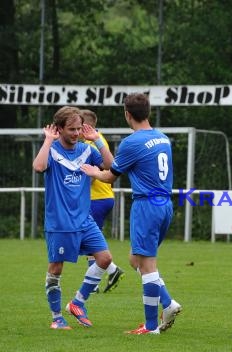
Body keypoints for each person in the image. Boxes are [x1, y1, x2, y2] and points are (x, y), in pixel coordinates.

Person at [81, 93, 182, 334]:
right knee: (135, 260)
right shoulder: (162, 138)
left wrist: (91, 172)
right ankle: (168, 303)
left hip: (146, 206)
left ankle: (150, 327)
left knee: (147, 265)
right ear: (148, 111)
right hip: (165, 204)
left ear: (127, 114)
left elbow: (109, 175)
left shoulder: (132, 143)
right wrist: (98, 140)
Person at [32, 106, 114, 330]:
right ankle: (57, 318)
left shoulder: (87, 150)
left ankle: (77, 303)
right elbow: (38, 167)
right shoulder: (52, 149)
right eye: (71, 129)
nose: (76, 133)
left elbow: (111, 166)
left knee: (105, 259)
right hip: (60, 223)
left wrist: (97, 140)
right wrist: (48, 140)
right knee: (56, 268)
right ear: (59, 129)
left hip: (84, 220)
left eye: (79, 128)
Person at [80, 109, 124, 293]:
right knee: (88, 238)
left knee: (89, 239)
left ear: (85, 126)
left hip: (96, 198)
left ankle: (111, 271)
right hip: (102, 197)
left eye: (78, 126)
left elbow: (95, 173)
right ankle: (98, 280)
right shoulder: (98, 139)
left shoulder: (92, 143)